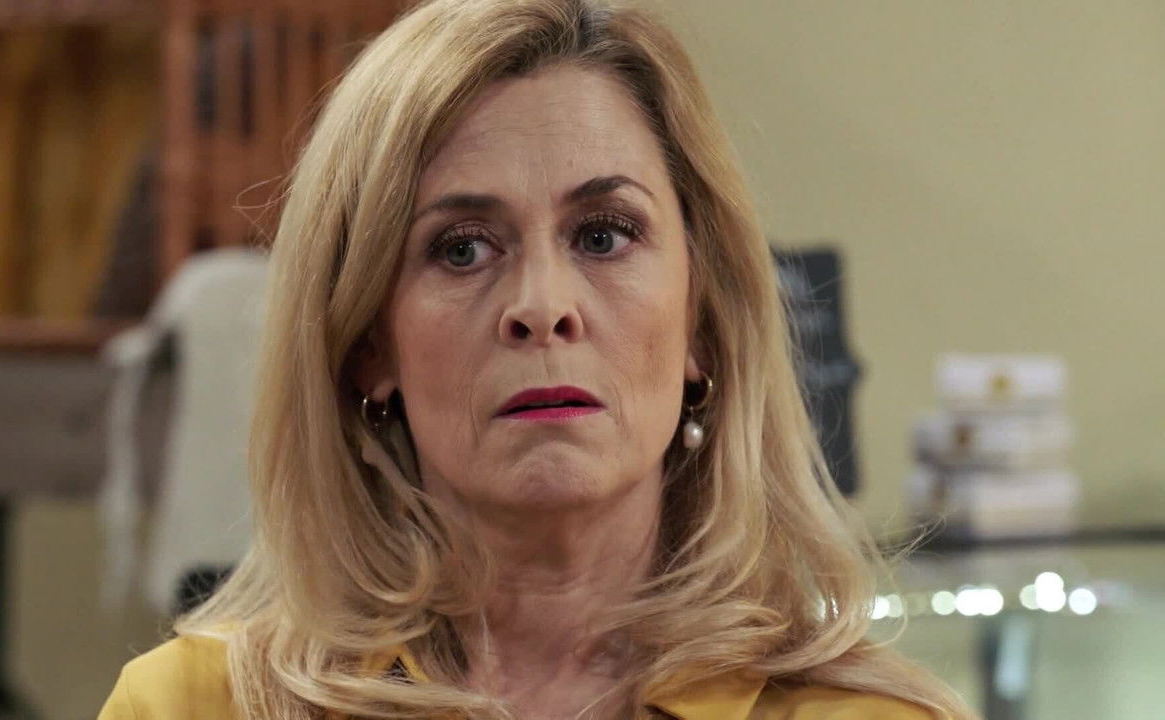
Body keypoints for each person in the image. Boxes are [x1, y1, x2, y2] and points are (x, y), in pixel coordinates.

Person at [99, 0, 974, 718]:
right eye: (461, 249)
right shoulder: (190, 707)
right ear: (368, 346)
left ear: (702, 324)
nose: (542, 307)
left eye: (604, 235)